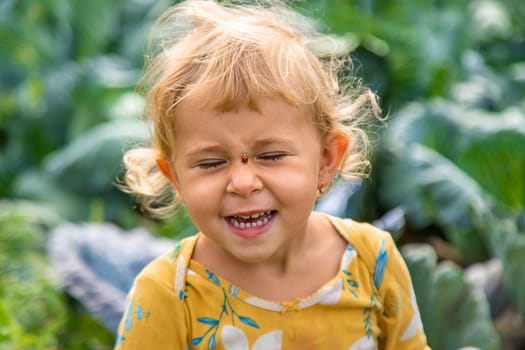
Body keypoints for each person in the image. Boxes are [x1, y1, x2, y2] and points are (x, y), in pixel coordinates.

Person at [115, 0, 430, 349]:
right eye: (210, 163)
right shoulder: (168, 293)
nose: (244, 183)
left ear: (326, 159)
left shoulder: (373, 261)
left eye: (271, 156)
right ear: (175, 177)